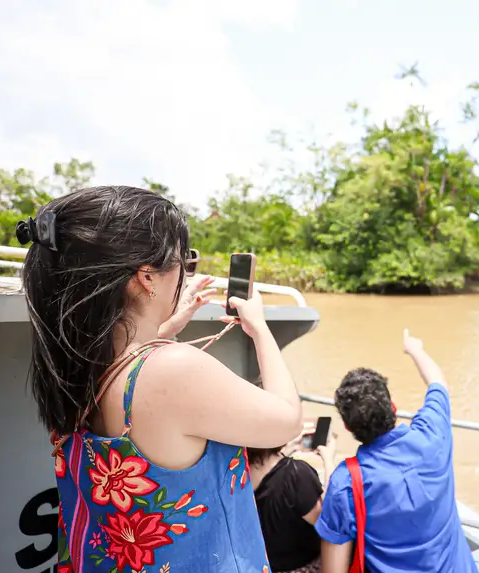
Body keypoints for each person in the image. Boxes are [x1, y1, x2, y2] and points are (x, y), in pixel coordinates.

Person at [20, 186, 302, 573]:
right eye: (183, 262)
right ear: (147, 276)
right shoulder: (174, 369)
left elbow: (131, 374)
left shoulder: (73, 364)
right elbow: (286, 420)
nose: (184, 273)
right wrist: (260, 329)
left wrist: (160, 326)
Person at [316, 329, 478, 573]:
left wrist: (328, 462)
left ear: (348, 426)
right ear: (393, 406)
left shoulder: (347, 482)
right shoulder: (432, 435)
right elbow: (438, 383)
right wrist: (415, 350)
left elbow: (333, 570)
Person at [249, 425, 338, 573]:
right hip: (305, 566)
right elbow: (330, 518)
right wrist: (329, 459)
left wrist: (287, 447)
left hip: (265, 565)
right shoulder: (295, 476)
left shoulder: (235, 475)